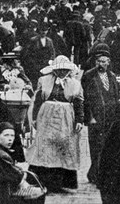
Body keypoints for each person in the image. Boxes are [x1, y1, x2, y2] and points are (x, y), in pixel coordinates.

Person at [27, 55, 84, 194]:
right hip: (46, 116)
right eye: (59, 70)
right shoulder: (44, 81)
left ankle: (60, 182)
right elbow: (38, 101)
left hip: (66, 117)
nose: (62, 72)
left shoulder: (75, 84)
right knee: (45, 146)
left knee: (63, 145)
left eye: (65, 70)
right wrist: (34, 118)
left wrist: (79, 120)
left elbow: (79, 103)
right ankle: (42, 180)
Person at [82, 50, 120, 185]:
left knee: (107, 145)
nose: (101, 64)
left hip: (110, 117)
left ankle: (97, 173)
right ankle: (95, 174)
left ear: (108, 63)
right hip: (95, 117)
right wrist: (89, 117)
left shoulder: (112, 76)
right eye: (98, 61)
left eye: (104, 62)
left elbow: (116, 95)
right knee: (96, 146)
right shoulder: (88, 76)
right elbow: (84, 99)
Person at [0, 122, 28, 204]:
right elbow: (16, 175)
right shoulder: (2, 155)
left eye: (12, 136)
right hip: (1, 194)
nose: (10, 139)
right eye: (6, 135)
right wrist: (23, 170)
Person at [21, 20, 55, 89]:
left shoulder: (49, 41)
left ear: (47, 31)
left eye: (45, 30)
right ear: (39, 31)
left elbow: (52, 52)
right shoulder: (33, 40)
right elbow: (28, 53)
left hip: (46, 64)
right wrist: (32, 63)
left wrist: (51, 60)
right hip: (35, 65)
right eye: (42, 30)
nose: (43, 32)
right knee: (35, 82)